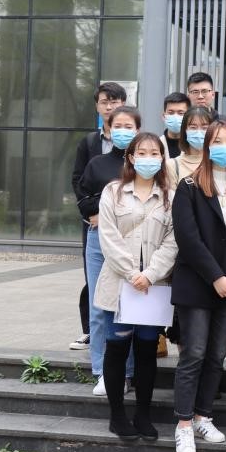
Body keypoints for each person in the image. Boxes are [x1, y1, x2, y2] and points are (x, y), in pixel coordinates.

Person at [170, 120, 226, 452]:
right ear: (206, 147)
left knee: (217, 355)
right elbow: (187, 239)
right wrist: (215, 276)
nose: (224, 147)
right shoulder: (188, 187)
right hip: (197, 284)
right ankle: (184, 424)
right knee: (193, 353)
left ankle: (204, 416)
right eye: (217, 141)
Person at [93, 131, 176, 440]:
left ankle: (143, 415)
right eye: (142, 153)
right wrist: (132, 274)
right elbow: (108, 238)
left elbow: (173, 241)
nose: (148, 159)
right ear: (130, 157)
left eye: (155, 153)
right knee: (116, 349)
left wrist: (150, 274)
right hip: (120, 284)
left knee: (145, 350)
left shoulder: (170, 196)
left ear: (162, 159)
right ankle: (117, 416)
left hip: (153, 287)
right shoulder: (113, 192)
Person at [77, 105, 139, 394]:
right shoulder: (97, 164)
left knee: (129, 307)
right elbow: (84, 201)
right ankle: (102, 371)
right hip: (99, 241)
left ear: (138, 130)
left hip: (134, 241)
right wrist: (102, 210)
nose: (123, 131)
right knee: (99, 306)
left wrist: (109, 211)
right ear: (109, 129)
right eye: (118, 126)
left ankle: (126, 372)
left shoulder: (144, 163)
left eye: (129, 126)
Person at [70, 82, 127, 351]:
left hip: (125, 225)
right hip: (95, 223)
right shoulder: (90, 142)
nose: (109, 106)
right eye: (105, 102)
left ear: (123, 104)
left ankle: (118, 345)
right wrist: (93, 212)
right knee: (94, 280)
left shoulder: (136, 143)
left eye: (114, 101)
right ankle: (94, 339)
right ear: (97, 106)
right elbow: (78, 180)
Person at [165, 106, 213, 185]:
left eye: (204, 128)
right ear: (185, 130)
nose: (199, 132)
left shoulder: (217, 163)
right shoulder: (172, 165)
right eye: (193, 127)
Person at [161, 92, 191, 159]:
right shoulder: (157, 144)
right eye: (171, 113)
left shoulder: (194, 145)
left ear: (189, 117)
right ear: (164, 116)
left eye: (180, 113)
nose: (175, 116)